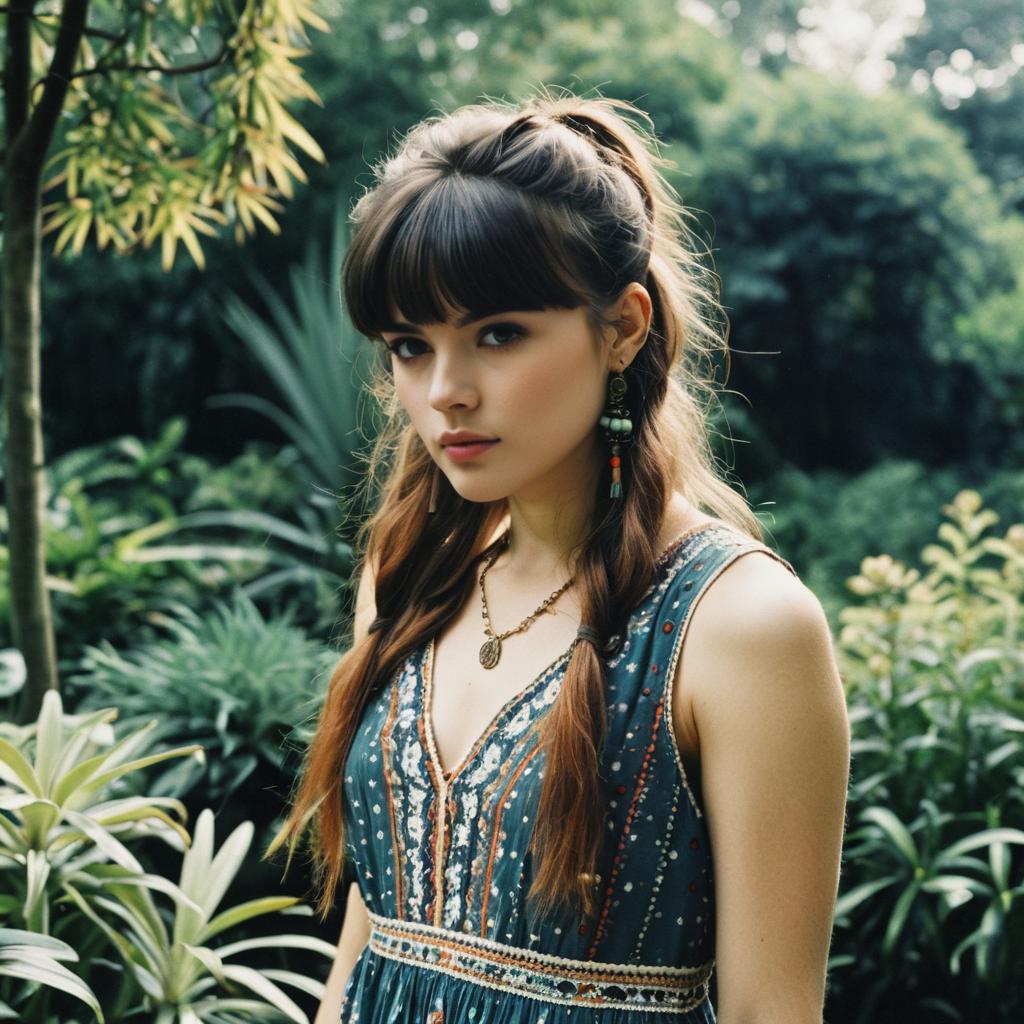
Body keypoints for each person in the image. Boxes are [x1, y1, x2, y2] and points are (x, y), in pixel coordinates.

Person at [268, 88, 850, 1024]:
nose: (446, 391)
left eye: (498, 334)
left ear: (622, 326)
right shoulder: (409, 577)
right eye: (410, 347)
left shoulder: (740, 628)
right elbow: (366, 945)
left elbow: (769, 1013)